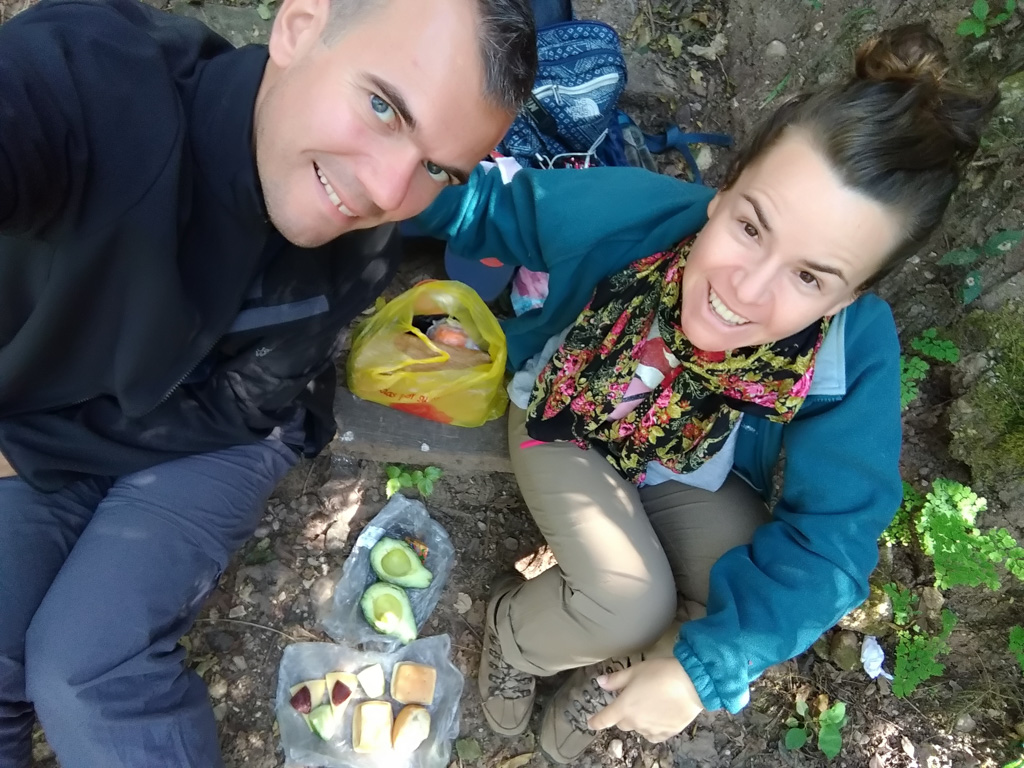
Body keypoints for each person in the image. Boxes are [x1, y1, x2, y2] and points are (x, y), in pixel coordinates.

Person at [414, 24, 998, 763]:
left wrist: (697, 675)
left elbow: (832, 539)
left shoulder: (854, 348)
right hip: (569, 409)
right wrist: (378, 183)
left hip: (689, 461)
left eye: (810, 277)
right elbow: (499, 208)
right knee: (631, 599)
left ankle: (610, 691)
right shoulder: (640, 216)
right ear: (725, 190)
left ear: (853, 295)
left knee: (735, 595)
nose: (745, 291)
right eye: (752, 226)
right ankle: (517, 637)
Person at [0, 0, 536, 764]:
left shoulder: (361, 237)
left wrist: (39, 450)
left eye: (435, 167)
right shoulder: (91, 86)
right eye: (383, 106)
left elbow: (246, 400)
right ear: (299, 25)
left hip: (219, 426)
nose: (387, 192)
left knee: (86, 667)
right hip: (46, 409)